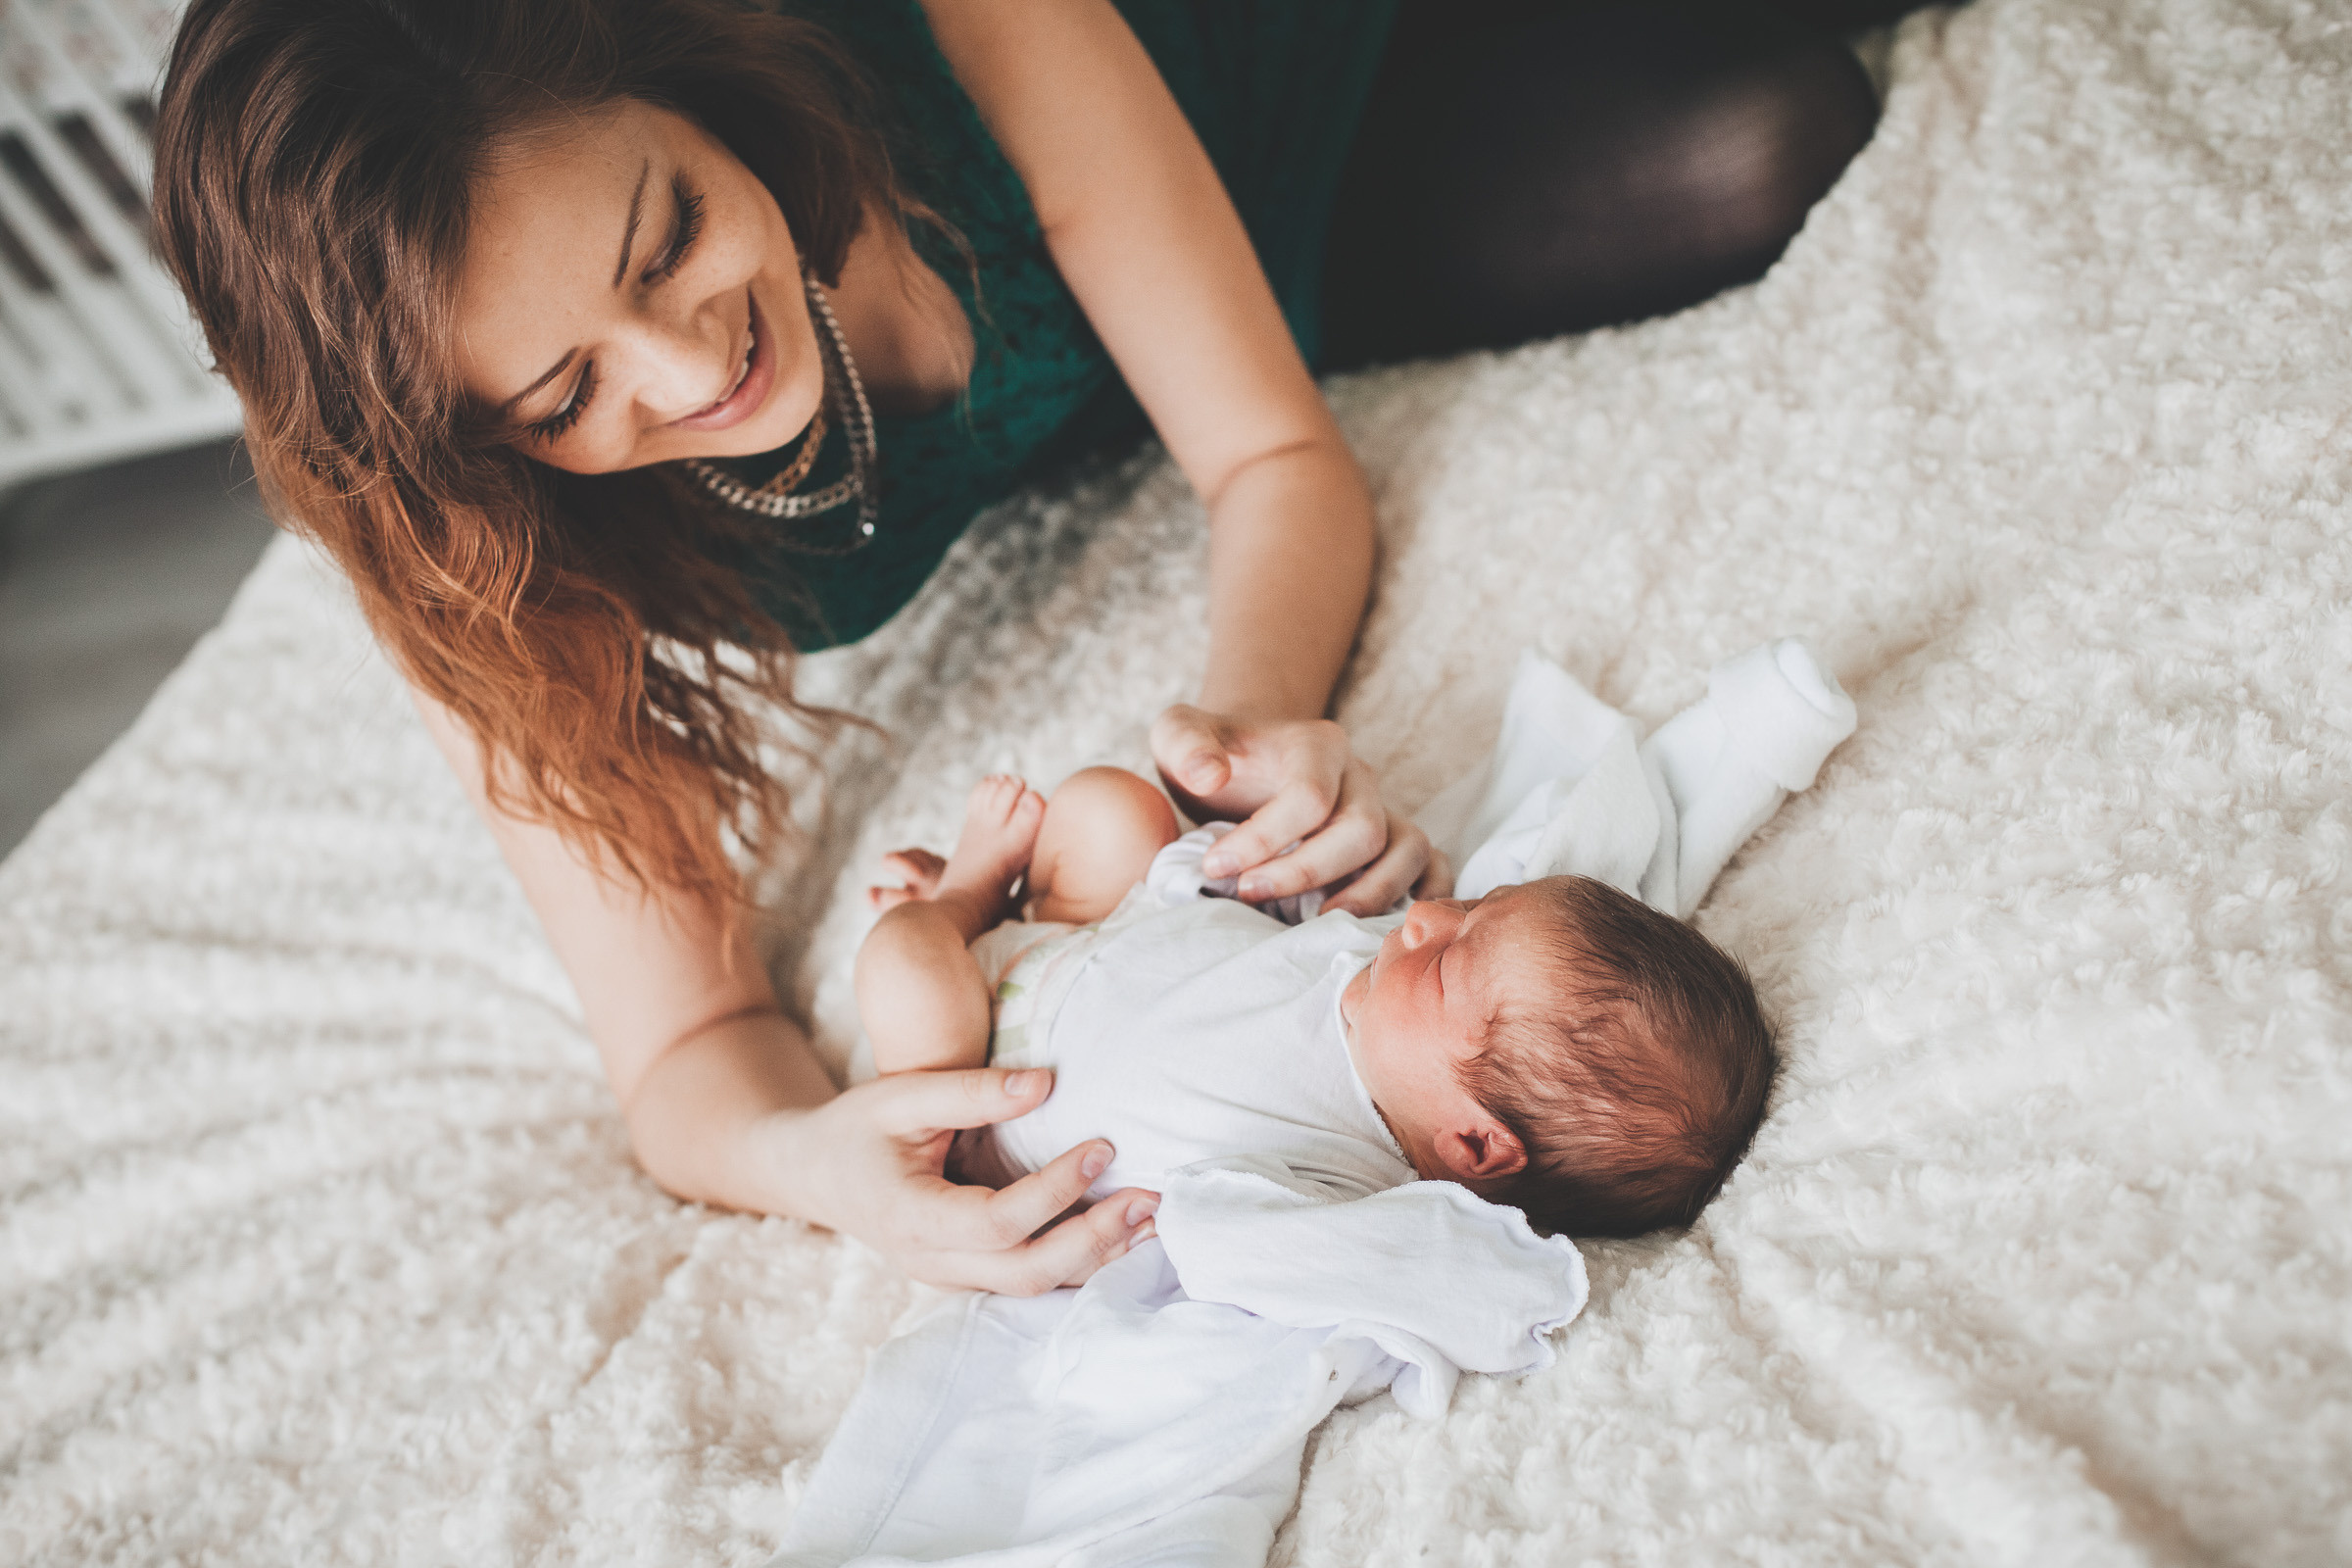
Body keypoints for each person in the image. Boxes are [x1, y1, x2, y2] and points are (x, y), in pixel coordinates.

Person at [149, 0, 1909, 1292]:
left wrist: (1253, 722)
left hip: (1236, 75)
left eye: (674, 235)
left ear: (695, 73)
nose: (692, 378)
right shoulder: (478, 555)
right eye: (563, 396)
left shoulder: (959, 32)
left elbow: (1275, 459)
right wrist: (816, 1165)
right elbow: (686, 1056)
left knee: (1764, 133)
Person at [858, 768, 1773, 1238]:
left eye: (1451, 961)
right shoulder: (1389, 974)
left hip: (985, 1092)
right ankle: (992, 922)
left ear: (1477, 1145)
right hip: (1098, 936)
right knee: (1115, 808)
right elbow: (1279, 929)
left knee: (908, 973)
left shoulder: (1338, 1183)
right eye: (1478, 910)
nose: (1430, 920)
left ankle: (958, 902)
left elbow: (1327, 1273)